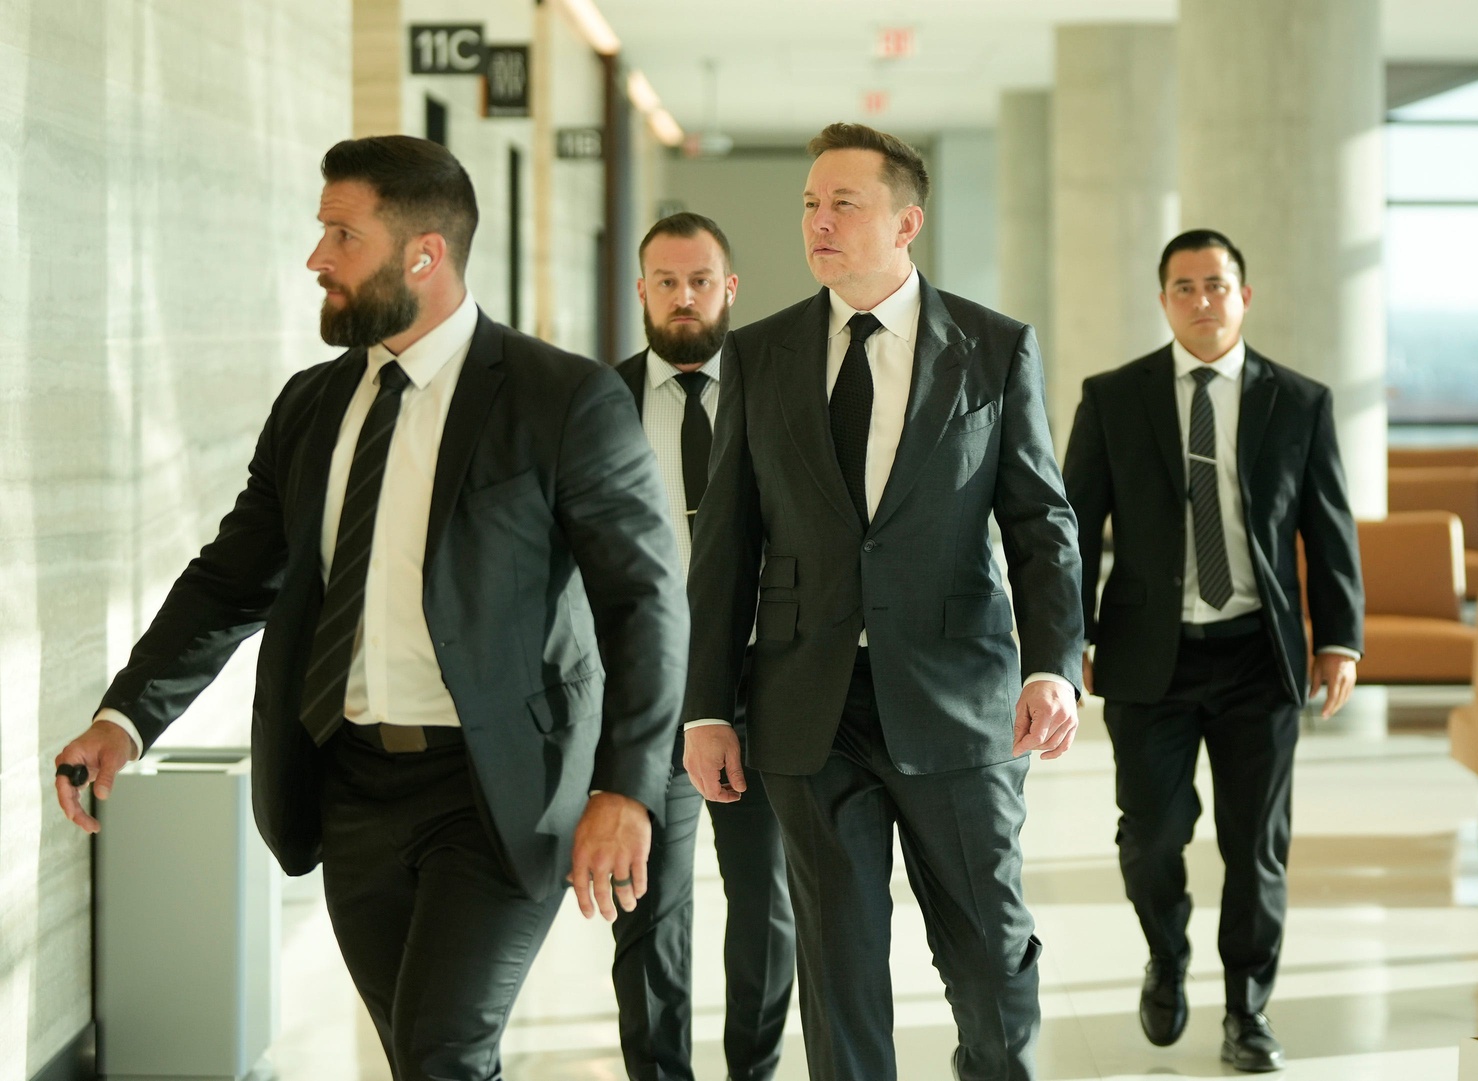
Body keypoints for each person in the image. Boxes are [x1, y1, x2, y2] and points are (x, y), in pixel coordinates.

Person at [53, 135, 688, 1081]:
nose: (317, 258)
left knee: (443, 1050)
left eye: (341, 236)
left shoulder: (562, 400)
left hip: (499, 787)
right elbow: (231, 579)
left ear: (422, 254)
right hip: (351, 787)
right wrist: (127, 715)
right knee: (415, 1049)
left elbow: (644, 600)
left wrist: (627, 785)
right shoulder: (312, 407)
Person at [680, 122, 1085, 1081]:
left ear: (906, 222)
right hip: (806, 708)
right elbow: (726, 544)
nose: (818, 222)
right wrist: (706, 704)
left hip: (957, 701)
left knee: (989, 957)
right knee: (840, 973)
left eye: (843, 204)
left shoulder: (993, 348)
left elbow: (1041, 521)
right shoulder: (762, 354)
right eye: (810, 205)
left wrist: (1052, 664)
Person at [1062, 229, 1364, 1073]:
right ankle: (1167, 950)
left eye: (1217, 285)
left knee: (1254, 843)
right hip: (1148, 657)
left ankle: (1247, 1010)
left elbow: (1327, 530)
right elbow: (1074, 527)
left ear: (1244, 295)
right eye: (1184, 287)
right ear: (1164, 300)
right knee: (1151, 835)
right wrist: (1067, 635)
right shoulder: (1114, 397)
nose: (1202, 300)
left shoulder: (1298, 401)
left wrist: (1338, 638)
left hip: (1257, 656)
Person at [610, 212, 795, 1081]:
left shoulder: (780, 395)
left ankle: (752, 1070)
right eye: (666, 281)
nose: (684, 298)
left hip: (767, 680)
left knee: (766, 901)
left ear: (730, 288)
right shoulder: (597, 407)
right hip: (646, 692)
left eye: (701, 280)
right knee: (647, 901)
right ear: (641, 290)